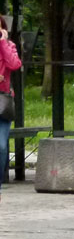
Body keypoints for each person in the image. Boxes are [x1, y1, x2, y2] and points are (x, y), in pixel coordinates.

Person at [0, 15, 22, 202]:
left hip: (3, 102)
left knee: (1, 146)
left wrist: (3, 43)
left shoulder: (9, 46)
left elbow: (14, 65)